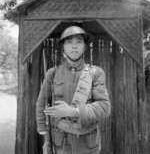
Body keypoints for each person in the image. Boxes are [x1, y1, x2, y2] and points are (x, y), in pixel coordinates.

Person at [36, 26, 111, 154]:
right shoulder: (53, 73)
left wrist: (73, 111)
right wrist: (46, 139)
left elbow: (104, 107)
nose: (74, 46)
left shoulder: (96, 73)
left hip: (88, 143)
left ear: (85, 47)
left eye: (79, 42)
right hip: (60, 142)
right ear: (63, 47)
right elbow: (41, 105)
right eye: (69, 42)